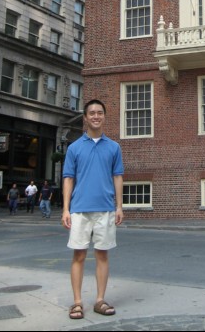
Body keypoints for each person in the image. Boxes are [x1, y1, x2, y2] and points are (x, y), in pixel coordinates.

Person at [62, 99, 124, 320]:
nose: (96, 116)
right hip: (79, 209)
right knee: (78, 255)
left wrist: (119, 206)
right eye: (92, 113)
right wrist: (66, 209)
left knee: (102, 255)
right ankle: (77, 302)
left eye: (100, 113)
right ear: (85, 118)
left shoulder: (114, 147)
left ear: (104, 116)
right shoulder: (74, 148)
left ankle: (100, 299)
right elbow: (68, 178)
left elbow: (117, 176)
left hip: (106, 209)